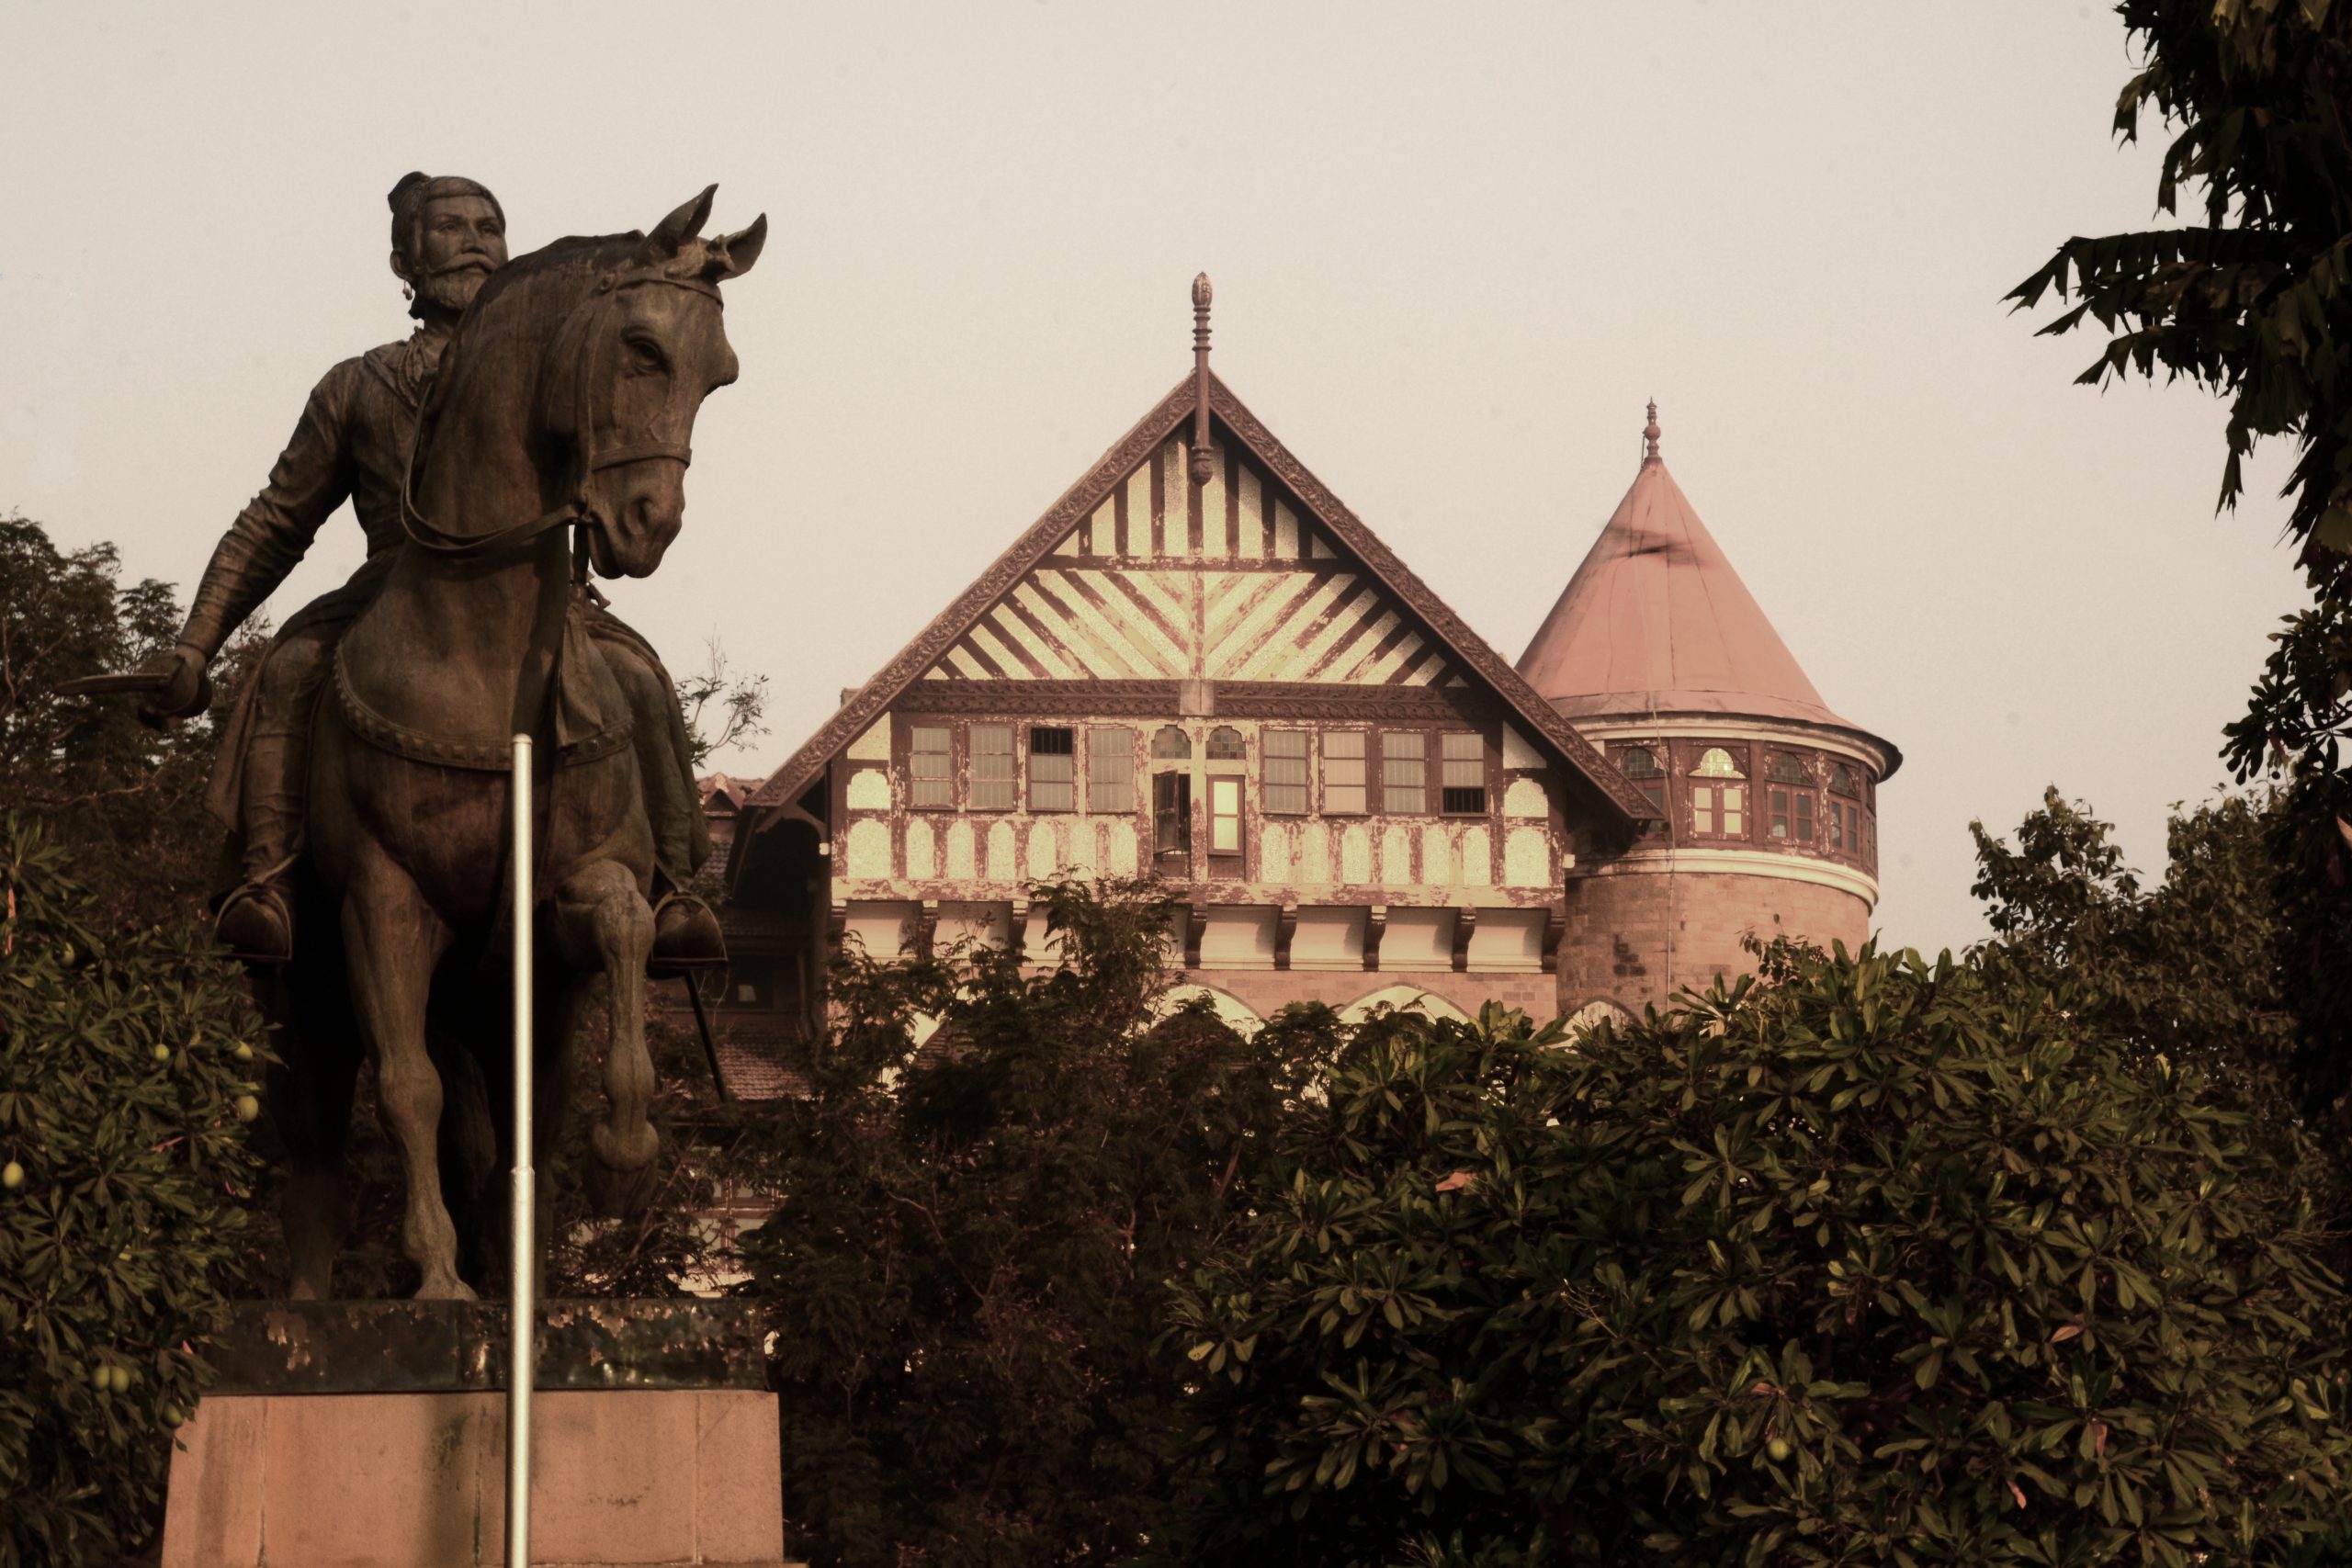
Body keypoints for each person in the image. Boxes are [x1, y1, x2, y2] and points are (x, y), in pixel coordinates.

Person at [141, 173, 724, 970]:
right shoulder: (358, 384)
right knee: (289, 666)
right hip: (390, 586)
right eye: (450, 228)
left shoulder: (559, 365)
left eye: (490, 225)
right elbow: (277, 519)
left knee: (640, 675)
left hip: (540, 593)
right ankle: (268, 877)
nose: (476, 240)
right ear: (403, 262)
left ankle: (671, 884)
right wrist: (195, 646)